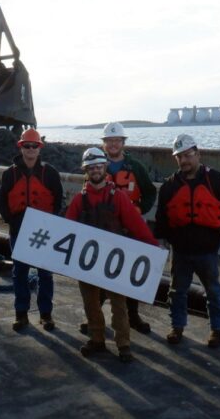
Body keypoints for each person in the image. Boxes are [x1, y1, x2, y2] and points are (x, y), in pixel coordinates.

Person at [66, 148, 160, 363]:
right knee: (90, 303)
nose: (95, 170)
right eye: (91, 167)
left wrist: (154, 248)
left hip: (113, 261)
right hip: (87, 261)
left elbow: (136, 225)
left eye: (99, 166)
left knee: (119, 305)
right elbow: (67, 229)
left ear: (105, 168)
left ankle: (123, 344)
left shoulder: (118, 197)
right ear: (86, 171)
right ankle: (97, 339)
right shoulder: (79, 200)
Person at [154, 134, 220, 348]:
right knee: (176, 292)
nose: (184, 160)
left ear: (198, 154)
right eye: (179, 157)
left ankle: (218, 330)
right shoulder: (169, 186)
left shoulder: (218, 181)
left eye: (188, 155)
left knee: (213, 291)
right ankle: (177, 327)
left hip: (208, 250)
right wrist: (161, 242)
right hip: (180, 251)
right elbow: (161, 218)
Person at [0, 128, 64, 332]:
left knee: (46, 273)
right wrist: (11, 221)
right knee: (20, 272)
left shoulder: (50, 173)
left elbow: (58, 199)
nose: (31, 149)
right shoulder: (9, 174)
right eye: (27, 146)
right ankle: (21, 314)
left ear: (40, 148)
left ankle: (46, 314)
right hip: (19, 230)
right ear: (21, 147)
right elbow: (1, 200)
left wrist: (51, 223)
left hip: (44, 230)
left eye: (34, 146)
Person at [101, 121, 157, 334]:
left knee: (132, 271)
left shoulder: (136, 167)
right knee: (100, 270)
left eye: (117, 140)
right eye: (109, 141)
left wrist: (140, 209)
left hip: (131, 228)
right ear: (104, 143)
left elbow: (150, 192)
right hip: (106, 228)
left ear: (123, 142)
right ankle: (95, 316)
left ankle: (133, 315)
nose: (113, 144)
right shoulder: (97, 165)